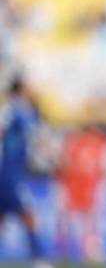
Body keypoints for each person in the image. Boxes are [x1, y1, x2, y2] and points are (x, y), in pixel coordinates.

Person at [0, 76, 54, 268]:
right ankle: (39, 259)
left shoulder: (29, 112)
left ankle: (39, 258)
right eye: (28, 85)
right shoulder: (11, 109)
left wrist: (50, 155)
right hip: (8, 171)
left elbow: (37, 137)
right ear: (21, 89)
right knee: (28, 214)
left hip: (16, 170)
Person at [55, 123, 106, 265]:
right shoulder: (72, 141)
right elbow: (63, 164)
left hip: (88, 186)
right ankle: (63, 252)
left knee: (87, 221)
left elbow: (102, 167)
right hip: (72, 184)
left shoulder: (98, 142)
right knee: (67, 220)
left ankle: (87, 252)